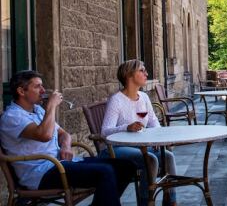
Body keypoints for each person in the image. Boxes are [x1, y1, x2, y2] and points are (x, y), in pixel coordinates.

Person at [0, 70, 136, 206]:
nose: (43, 90)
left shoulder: (37, 110)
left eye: (42, 86)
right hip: (40, 174)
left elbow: (63, 134)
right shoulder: (12, 117)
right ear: (21, 91)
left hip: (60, 164)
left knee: (126, 166)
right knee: (105, 172)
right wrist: (51, 106)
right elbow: (44, 135)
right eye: (37, 87)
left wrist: (65, 146)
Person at [101, 59, 177, 206]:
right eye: (142, 71)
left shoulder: (144, 97)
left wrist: (158, 138)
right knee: (151, 159)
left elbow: (153, 121)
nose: (146, 73)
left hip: (140, 145)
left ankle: (171, 201)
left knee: (168, 156)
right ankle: (147, 202)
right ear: (129, 75)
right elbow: (105, 132)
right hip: (117, 148)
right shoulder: (116, 100)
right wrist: (126, 127)